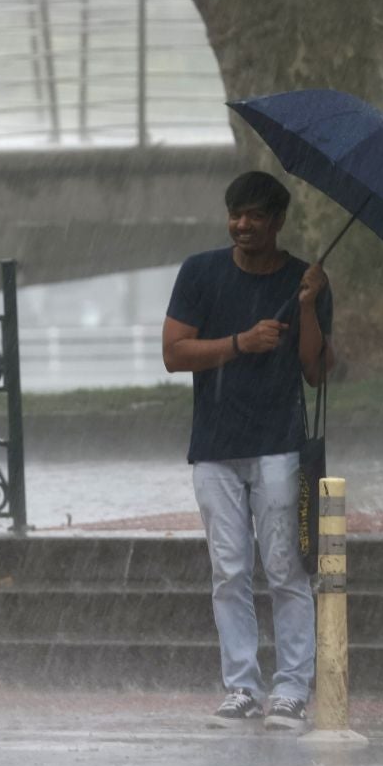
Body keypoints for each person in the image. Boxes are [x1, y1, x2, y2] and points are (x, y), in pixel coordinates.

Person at [162, 171, 333, 729]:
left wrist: (307, 307)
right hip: (213, 446)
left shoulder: (303, 280)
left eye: (256, 215)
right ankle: (240, 686)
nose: (243, 224)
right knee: (229, 571)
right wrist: (240, 343)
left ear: (278, 221)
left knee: (285, 570)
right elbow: (174, 352)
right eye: (236, 213)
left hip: (278, 445)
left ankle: (291, 687)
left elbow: (316, 372)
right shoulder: (200, 273)